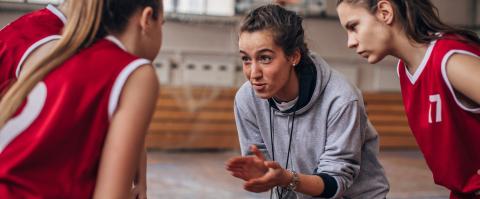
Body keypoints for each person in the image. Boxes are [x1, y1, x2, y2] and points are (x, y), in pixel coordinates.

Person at [0, 0, 163, 198]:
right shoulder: (46, 40)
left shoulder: (74, 49)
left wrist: (139, 181)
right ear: (147, 19)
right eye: (162, 24)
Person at [226, 4, 389, 199]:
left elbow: (336, 182)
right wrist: (262, 173)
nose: (253, 73)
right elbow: (263, 165)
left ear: (293, 56)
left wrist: (285, 178)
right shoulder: (247, 99)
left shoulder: (342, 99)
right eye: (246, 59)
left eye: (265, 58)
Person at [336, 0, 480, 198]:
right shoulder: (405, 69)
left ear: (385, 12)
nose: (350, 42)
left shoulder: (448, 59)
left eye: (354, 27)